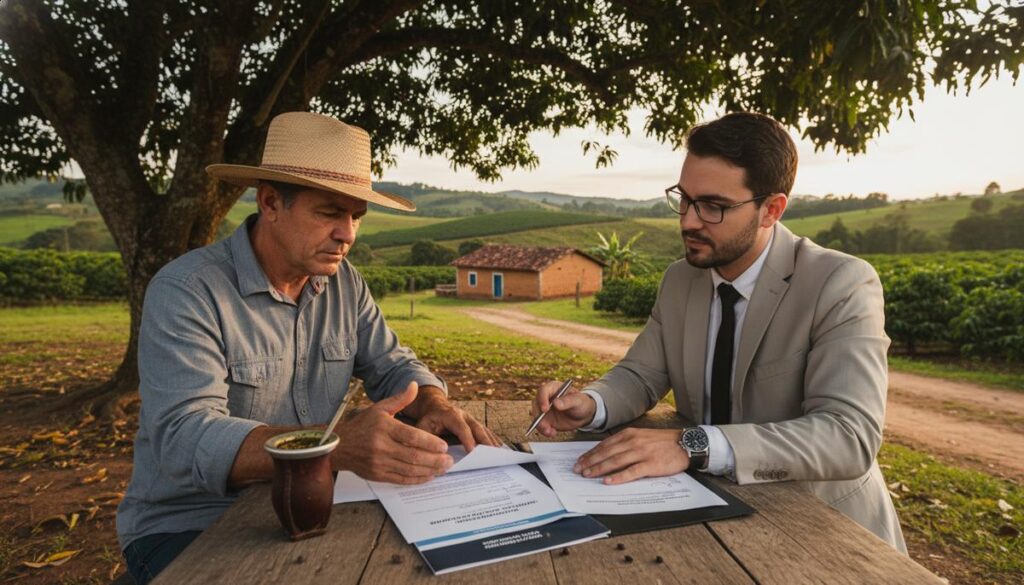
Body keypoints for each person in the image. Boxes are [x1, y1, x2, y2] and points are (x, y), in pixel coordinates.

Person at [117, 111, 501, 584]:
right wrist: (330, 447)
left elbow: (391, 362)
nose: (349, 234)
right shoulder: (187, 291)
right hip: (196, 523)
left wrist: (432, 400)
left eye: (356, 216)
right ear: (272, 202)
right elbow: (184, 437)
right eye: (329, 212)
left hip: (324, 503)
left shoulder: (344, 283)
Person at [531, 112, 905, 552]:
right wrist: (591, 404)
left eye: (713, 206)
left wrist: (692, 444)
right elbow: (640, 374)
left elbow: (849, 435)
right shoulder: (680, 280)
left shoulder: (839, 283)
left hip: (825, 534)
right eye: (684, 199)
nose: (688, 221)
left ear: (772, 210)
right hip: (712, 519)